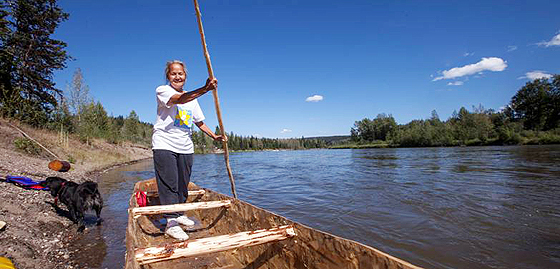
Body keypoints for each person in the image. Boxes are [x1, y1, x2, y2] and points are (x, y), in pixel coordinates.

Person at [152, 60, 226, 240]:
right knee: (170, 183)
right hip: (164, 143)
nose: (177, 76)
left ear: (185, 76)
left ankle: (178, 213)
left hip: (185, 146)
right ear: (168, 76)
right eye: (173, 73)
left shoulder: (192, 99)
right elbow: (180, 99)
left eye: (181, 73)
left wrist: (214, 136)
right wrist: (205, 89)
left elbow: (199, 122)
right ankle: (171, 222)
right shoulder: (163, 91)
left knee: (183, 183)